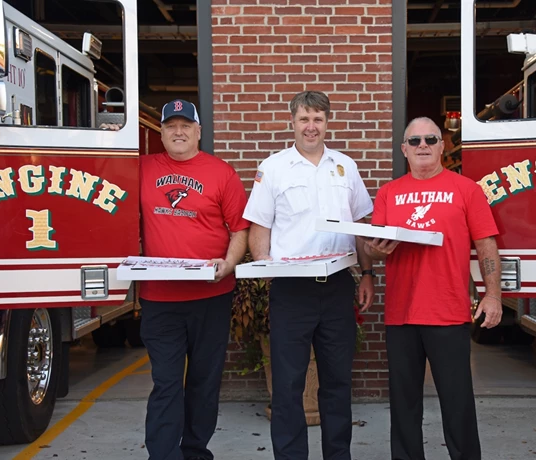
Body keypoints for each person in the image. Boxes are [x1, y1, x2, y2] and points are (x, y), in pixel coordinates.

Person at [243, 90, 375, 460]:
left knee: (337, 384)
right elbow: (259, 227)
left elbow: (360, 225)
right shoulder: (273, 168)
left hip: (336, 290)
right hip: (291, 292)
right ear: (292, 122)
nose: (311, 126)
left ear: (327, 122)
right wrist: (267, 268)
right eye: (304, 119)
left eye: (318, 119)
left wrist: (366, 273)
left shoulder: (346, 166)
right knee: (287, 387)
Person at [364, 117, 502, 460]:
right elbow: (372, 246)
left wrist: (493, 294)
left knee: (457, 404)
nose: (422, 145)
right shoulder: (388, 192)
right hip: (401, 314)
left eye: (430, 139)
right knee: (404, 406)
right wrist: (373, 250)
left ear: (443, 146)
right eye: (414, 141)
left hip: (449, 312)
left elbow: (486, 245)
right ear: (404, 150)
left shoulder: (466, 189)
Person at [138, 99, 250, 460]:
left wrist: (229, 263)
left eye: (186, 125)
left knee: (204, 383)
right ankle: (164, 455)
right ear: (161, 132)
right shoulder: (140, 168)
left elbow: (240, 228)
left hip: (211, 296)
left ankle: (196, 451)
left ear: (199, 131)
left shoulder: (222, 173)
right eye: (171, 125)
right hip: (160, 299)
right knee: (167, 383)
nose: (179, 131)